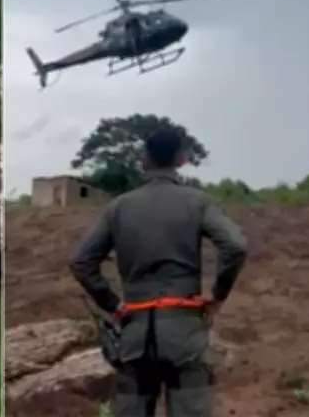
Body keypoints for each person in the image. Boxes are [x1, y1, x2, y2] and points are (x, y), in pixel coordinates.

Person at [69, 128, 248, 416]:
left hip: (134, 333)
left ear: (145, 160)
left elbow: (80, 262)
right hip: (184, 334)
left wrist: (113, 305)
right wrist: (218, 296)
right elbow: (236, 246)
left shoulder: (118, 208)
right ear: (181, 159)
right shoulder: (198, 202)